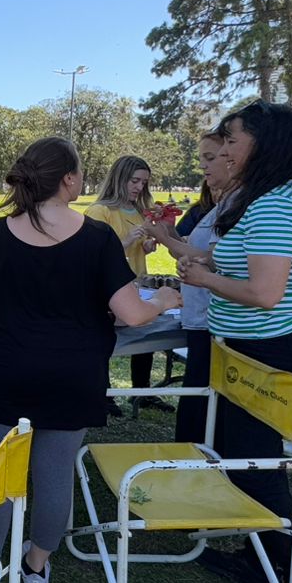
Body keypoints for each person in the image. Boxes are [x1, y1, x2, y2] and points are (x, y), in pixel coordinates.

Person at [0, 137, 181, 583]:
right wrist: (162, 300)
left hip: (9, 372)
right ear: (69, 179)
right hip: (73, 375)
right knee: (54, 477)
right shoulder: (96, 239)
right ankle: (36, 568)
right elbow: (132, 314)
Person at [176, 101, 292, 583]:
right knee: (240, 458)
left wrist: (205, 279)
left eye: (232, 140)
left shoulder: (276, 202)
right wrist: (211, 262)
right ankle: (259, 561)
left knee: (261, 468)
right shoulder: (280, 194)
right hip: (253, 347)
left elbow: (266, 293)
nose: (223, 151)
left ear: (264, 144)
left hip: (272, 352)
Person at [146, 133, 231, 444]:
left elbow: (212, 258)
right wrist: (168, 232)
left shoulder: (237, 209)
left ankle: (193, 457)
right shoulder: (210, 207)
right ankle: (190, 455)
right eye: (202, 160)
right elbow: (190, 251)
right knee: (197, 395)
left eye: (211, 158)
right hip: (199, 314)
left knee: (202, 396)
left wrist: (167, 238)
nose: (203, 168)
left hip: (215, 318)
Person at [86, 155, 165, 415]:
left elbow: (139, 252)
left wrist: (148, 245)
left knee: (146, 335)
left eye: (144, 182)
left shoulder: (141, 211)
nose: (139, 187)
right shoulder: (101, 211)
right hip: (108, 288)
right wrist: (128, 238)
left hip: (137, 283)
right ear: (119, 179)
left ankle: (142, 392)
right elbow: (93, 255)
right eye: (134, 181)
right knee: (105, 341)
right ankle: (104, 394)